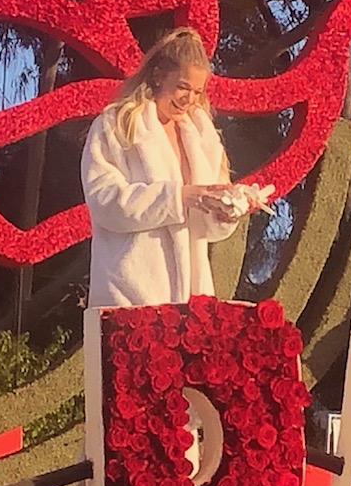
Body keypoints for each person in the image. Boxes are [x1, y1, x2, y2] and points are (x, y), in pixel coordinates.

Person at [80, 28, 252, 312]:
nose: (189, 100)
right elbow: (104, 201)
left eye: (197, 92)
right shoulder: (117, 124)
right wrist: (178, 197)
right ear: (159, 75)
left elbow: (207, 229)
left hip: (192, 305)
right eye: (183, 87)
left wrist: (225, 211)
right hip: (129, 296)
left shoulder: (203, 136)